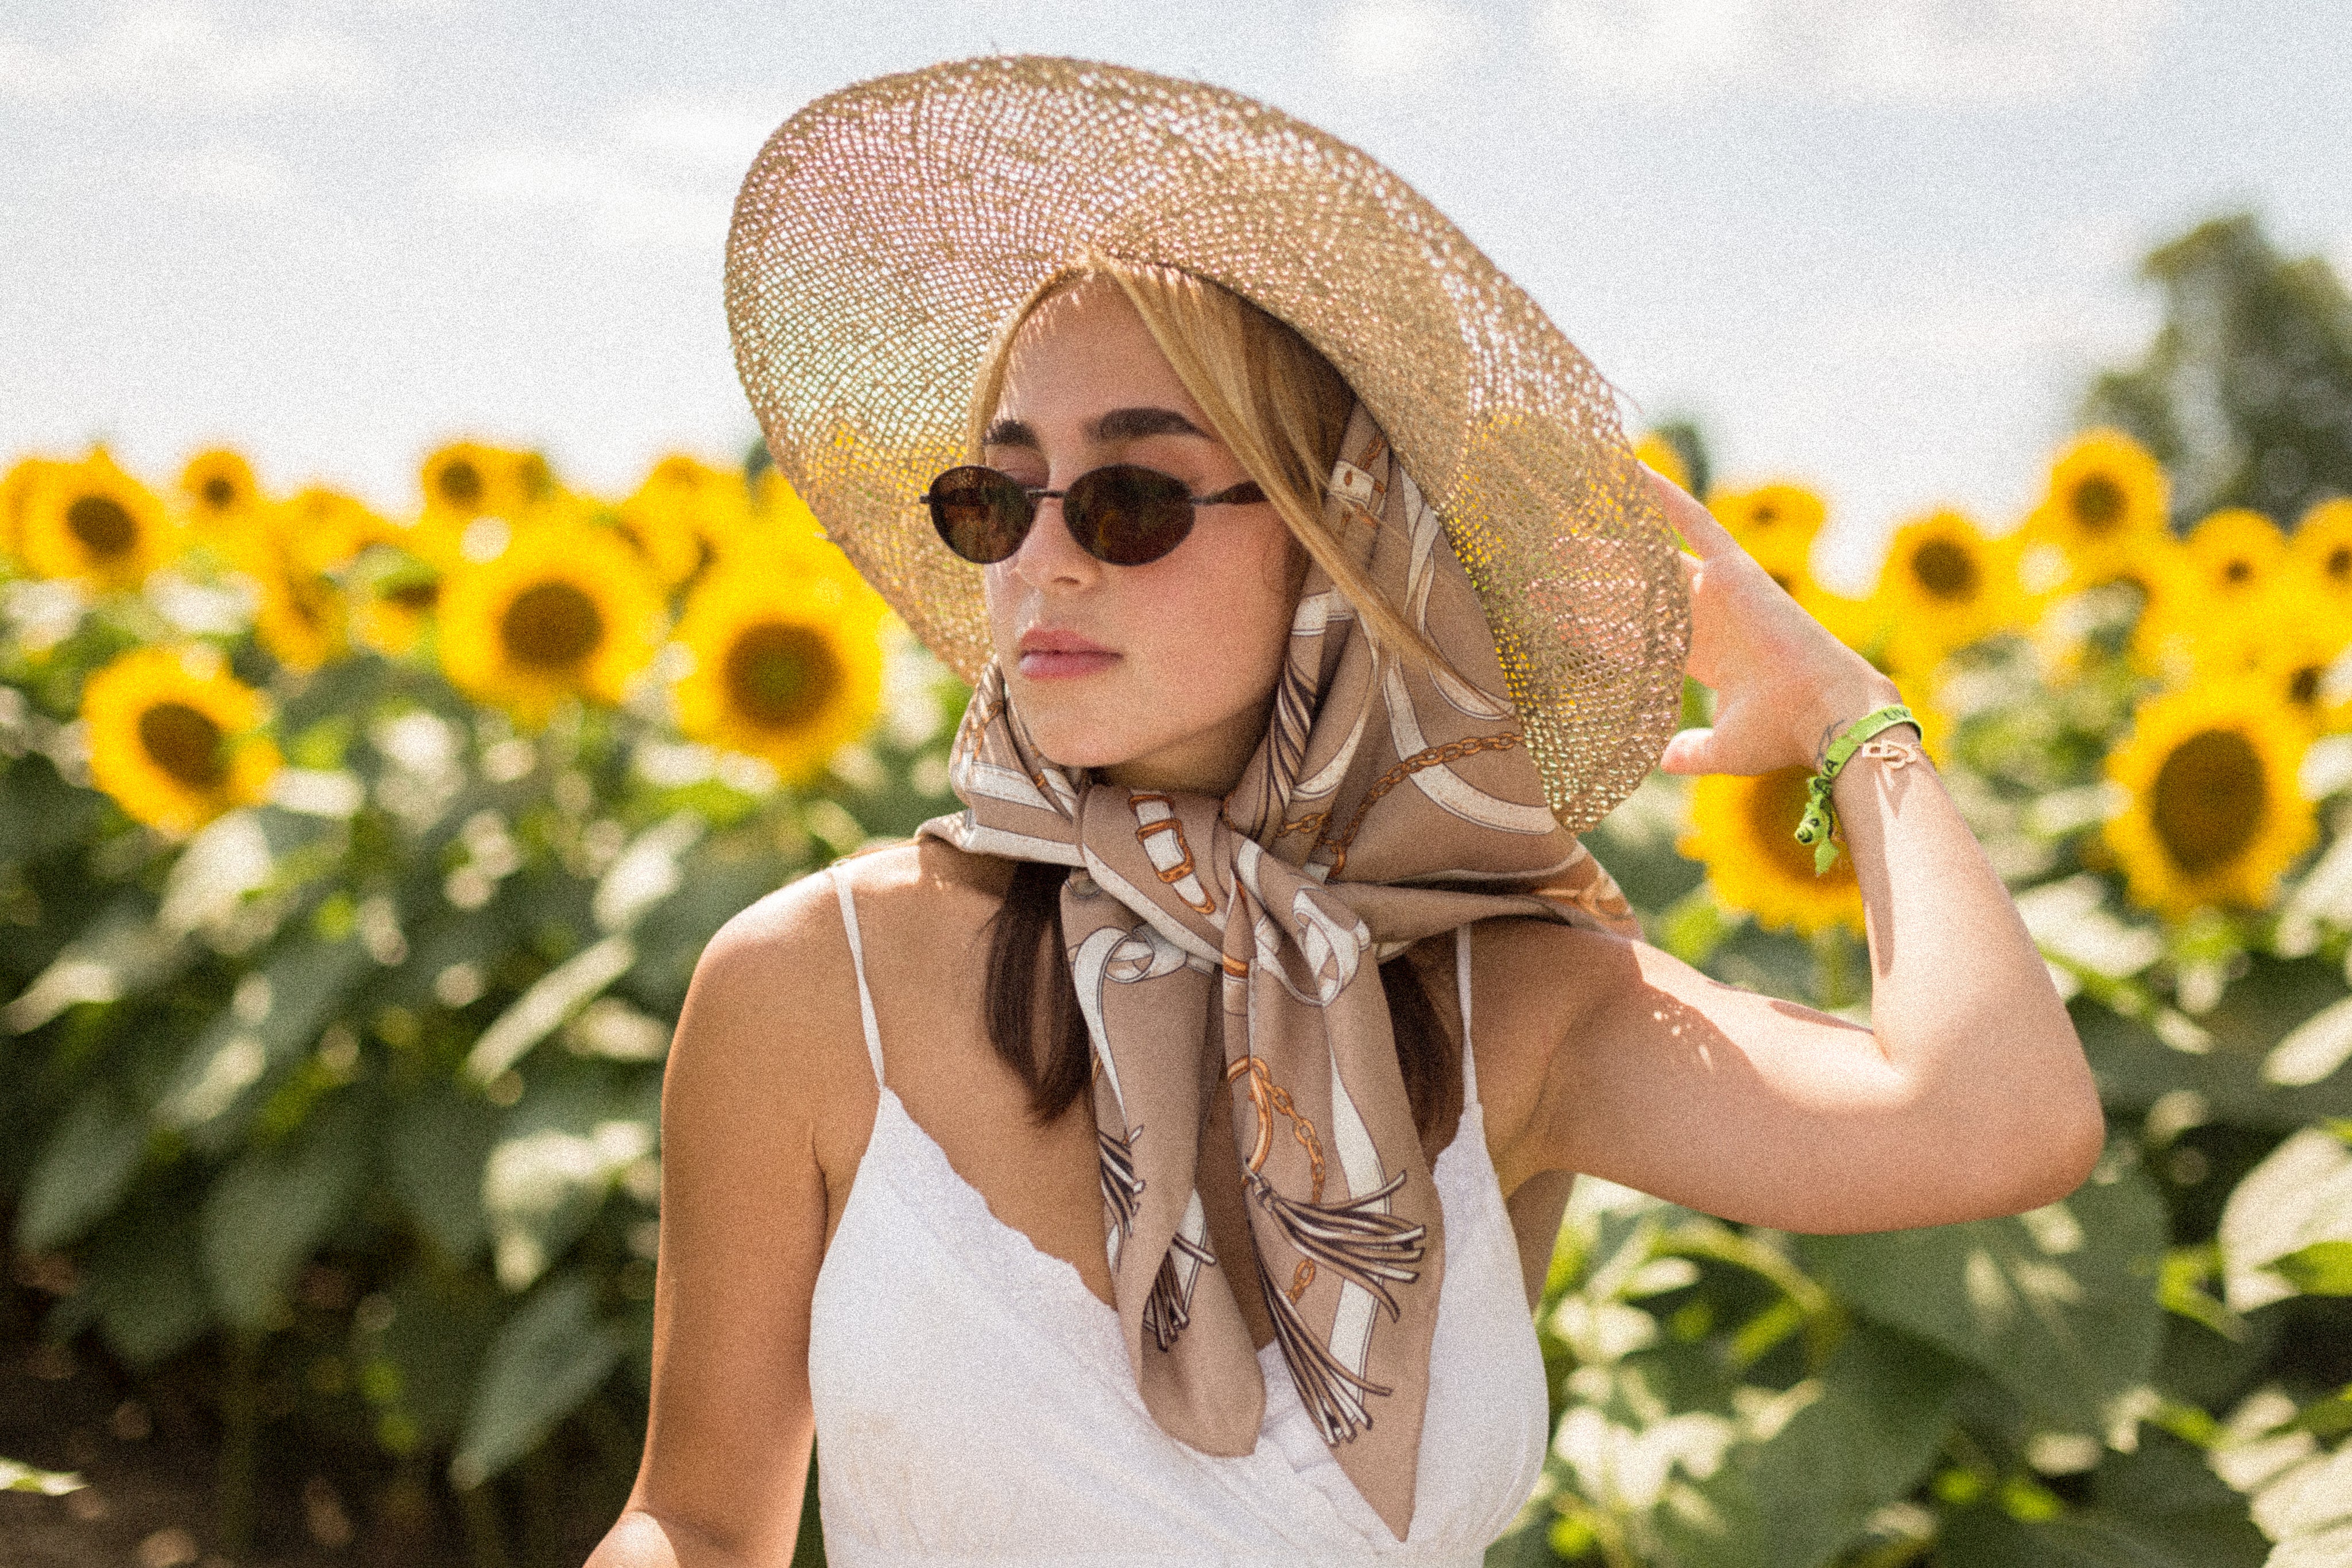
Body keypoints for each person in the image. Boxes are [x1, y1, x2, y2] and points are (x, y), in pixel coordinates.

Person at [589, 56, 2100, 1568]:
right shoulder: (810, 983)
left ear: (1338, 542)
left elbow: (1995, 1122)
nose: (1042, 561)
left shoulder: (1504, 992)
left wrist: (1851, 719)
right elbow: (701, 1517)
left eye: (1133, 500)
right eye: (998, 497)